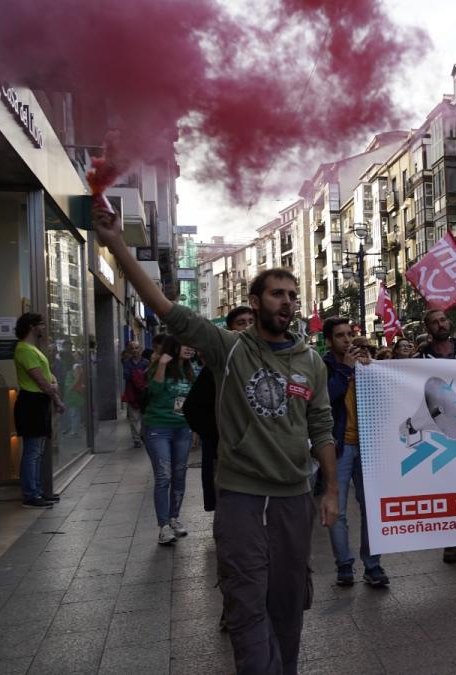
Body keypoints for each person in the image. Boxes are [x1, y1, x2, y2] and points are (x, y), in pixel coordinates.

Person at [93, 206, 336, 675]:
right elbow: (169, 312)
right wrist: (117, 243)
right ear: (255, 301)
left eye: (292, 295)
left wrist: (330, 490)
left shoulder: (311, 362)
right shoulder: (229, 348)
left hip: (294, 498)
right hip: (242, 496)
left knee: (289, 602)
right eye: (277, 294)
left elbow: (321, 426)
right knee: (246, 602)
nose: (287, 302)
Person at [323, 317, 389, 588]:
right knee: (337, 509)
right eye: (340, 335)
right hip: (339, 447)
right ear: (328, 341)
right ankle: (344, 565)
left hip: (366, 445)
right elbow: (325, 397)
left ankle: (372, 565)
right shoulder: (324, 366)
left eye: (349, 334)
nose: (347, 340)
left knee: (371, 506)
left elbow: (383, 399)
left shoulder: (364, 365)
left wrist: (371, 371)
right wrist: (345, 370)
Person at [416, 309, 456, 563]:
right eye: (434, 322)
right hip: (439, 433)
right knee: (448, 486)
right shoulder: (419, 359)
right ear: (428, 328)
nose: (440, 325)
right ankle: (452, 540)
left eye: (443, 320)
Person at [184, 306, 254, 514]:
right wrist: (223, 434)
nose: (247, 327)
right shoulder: (219, 366)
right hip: (227, 457)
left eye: (251, 322)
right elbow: (192, 408)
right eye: (241, 323)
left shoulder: (267, 361)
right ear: (230, 330)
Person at [142, 335, 197, 545]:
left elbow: (192, 402)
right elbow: (155, 391)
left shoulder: (191, 370)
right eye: (185, 344)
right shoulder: (158, 365)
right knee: (163, 476)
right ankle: (163, 526)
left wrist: (194, 429)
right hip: (158, 428)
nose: (189, 348)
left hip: (182, 429)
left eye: (191, 345)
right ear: (174, 347)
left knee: (180, 474)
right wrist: (162, 365)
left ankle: (174, 518)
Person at [13, 313, 64, 509]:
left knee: (38, 450)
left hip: (39, 401)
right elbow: (40, 379)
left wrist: (53, 393)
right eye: (41, 324)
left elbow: (47, 376)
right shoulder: (24, 349)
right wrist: (56, 395)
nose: (44, 327)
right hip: (31, 403)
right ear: (31, 327)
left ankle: (37, 491)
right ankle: (31, 495)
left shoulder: (33, 349)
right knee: (33, 451)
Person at [121, 341, 149, 448]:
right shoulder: (127, 363)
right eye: (132, 348)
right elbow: (126, 376)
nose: (134, 350)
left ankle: (142, 435)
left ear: (141, 349)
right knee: (133, 418)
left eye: (137, 348)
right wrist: (140, 373)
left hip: (144, 394)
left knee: (144, 418)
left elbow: (149, 377)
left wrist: (136, 373)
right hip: (132, 393)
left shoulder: (146, 362)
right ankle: (136, 439)